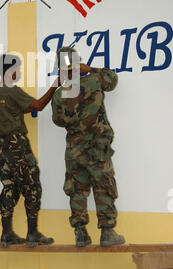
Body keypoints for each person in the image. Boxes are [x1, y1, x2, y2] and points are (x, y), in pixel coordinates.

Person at [51, 46, 125, 247]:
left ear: (60, 68)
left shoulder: (59, 95)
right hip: (97, 147)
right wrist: (89, 68)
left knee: (77, 189)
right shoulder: (94, 81)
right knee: (103, 186)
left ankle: (80, 233)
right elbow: (112, 79)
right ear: (76, 63)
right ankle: (107, 232)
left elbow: (58, 120)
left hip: (74, 150)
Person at [0, 53, 60, 247]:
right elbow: (38, 105)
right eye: (17, 69)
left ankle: (7, 233)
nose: (18, 72)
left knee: (10, 187)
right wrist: (55, 85)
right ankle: (32, 233)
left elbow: (17, 110)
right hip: (16, 144)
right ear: (10, 71)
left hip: (2, 146)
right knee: (31, 186)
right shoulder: (11, 90)